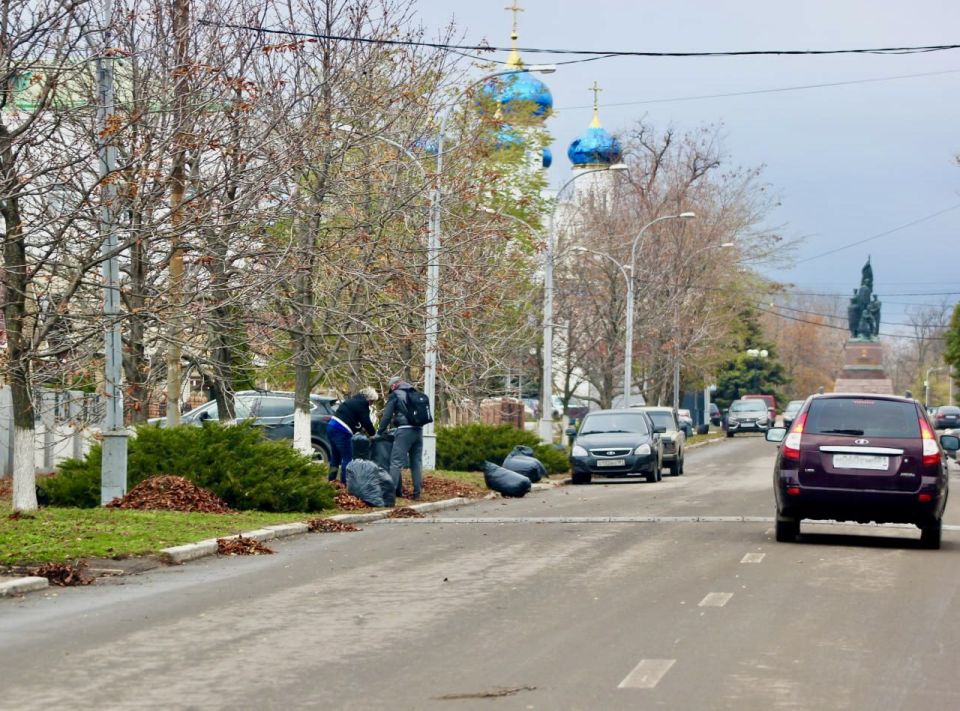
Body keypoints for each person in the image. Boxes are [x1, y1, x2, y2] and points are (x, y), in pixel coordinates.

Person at [377, 376, 423, 500]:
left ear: (393, 386)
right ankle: (417, 494)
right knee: (416, 463)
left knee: (395, 463)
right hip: (418, 430)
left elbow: (386, 416)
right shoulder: (414, 392)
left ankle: (389, 495)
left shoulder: (395, 395)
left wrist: (379, 432)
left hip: (404, 431)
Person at [326, 387, 378, 484]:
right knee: (348, 458)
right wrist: (373, 434)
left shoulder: (352, 401)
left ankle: (331, 480)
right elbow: (366, 422)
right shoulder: (363, 404)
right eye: (372, 401)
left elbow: (354, 420)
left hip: (331, 426)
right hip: (341, 430)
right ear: (368, 399)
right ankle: (345, 483)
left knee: (335, 457)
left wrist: (359, 429)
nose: (372, 403)